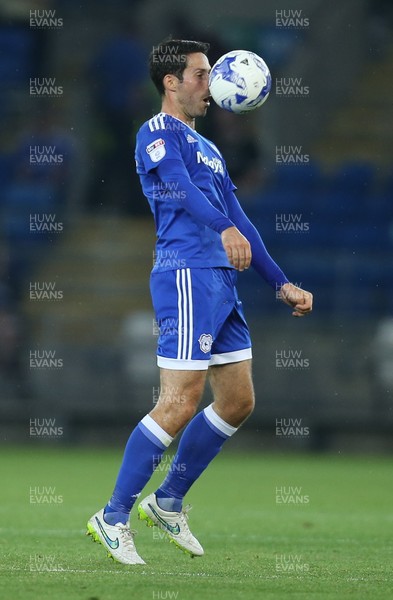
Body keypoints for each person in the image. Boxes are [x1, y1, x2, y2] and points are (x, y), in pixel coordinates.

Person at [87, 39, 313, 565]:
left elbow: (242, 219)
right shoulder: (156, 134)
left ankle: (168, 501)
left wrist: (280, 282)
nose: (209, 84)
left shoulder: (209, 147)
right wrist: (224, 227)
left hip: (221, 282)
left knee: (237, 401)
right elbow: (179, 188)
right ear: (171, 81)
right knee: (179, 403)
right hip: (186, 275)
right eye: (200, 74)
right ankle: (114, 515)